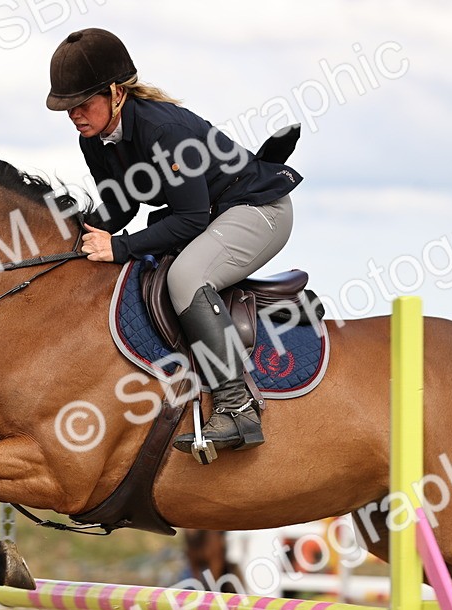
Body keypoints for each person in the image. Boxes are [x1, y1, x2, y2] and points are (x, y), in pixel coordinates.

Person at [46, 28, 302, 456]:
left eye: (82, 103)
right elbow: (121, 205)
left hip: (259, 212)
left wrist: (121, 247)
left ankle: (238, 408)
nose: (74, 114)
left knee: (185, 277)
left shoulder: (163, 131)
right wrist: (72, 235)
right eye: (67, 107)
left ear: (115, 92)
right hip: (214, 214)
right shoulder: (97, 138)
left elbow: (189, 219)